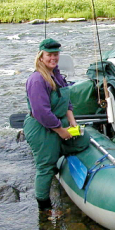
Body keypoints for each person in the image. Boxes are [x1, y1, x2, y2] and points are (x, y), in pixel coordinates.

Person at [23, 38, 89, 212]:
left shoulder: (57, 74)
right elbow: (42, 112)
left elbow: (66, 101)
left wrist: (72, 122)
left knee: (83, 140)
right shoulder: (37, 80)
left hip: (61, 120)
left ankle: (59, 154)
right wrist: (60, 131)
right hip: (41, 127)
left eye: (56, 54)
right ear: (41, 57)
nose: (53, 58)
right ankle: (44, 207)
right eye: (49, 55)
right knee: (45, 166)